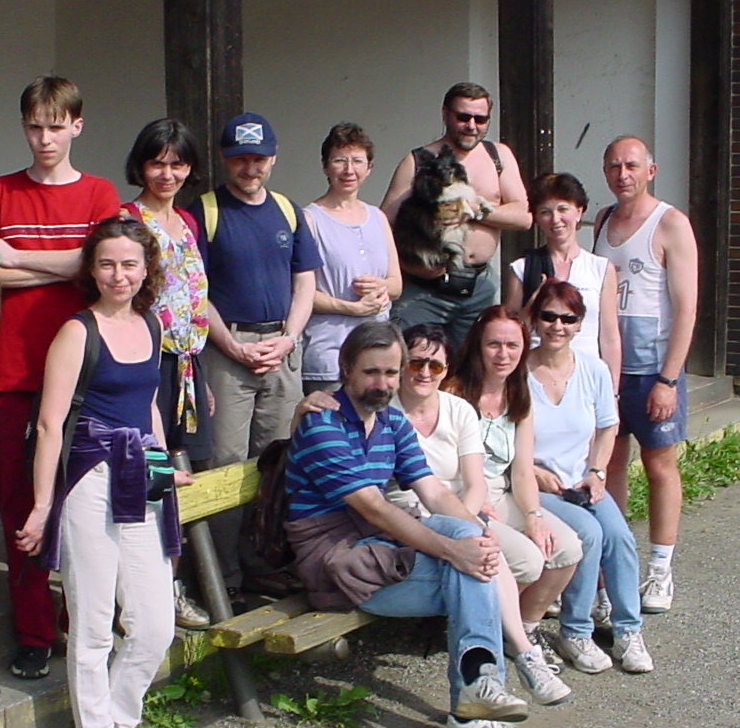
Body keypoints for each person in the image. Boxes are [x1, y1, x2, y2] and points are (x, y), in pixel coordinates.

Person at [285, 321, 536, 728]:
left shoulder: (391, 421)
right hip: (336, 559)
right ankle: (473, 707)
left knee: (468, 547)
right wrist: (457, 552)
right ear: (346, 369)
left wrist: (480, 537)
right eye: (371, 372)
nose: (382, 384)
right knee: (469, 571)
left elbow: (434, 492)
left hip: (381, 545)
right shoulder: (321, 424)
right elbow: (373, 507)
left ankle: (477, 697)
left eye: (390, 372)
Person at [17, 218, 187, 728]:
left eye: (130, 264)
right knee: (92, 624)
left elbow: (152, 409)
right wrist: (43, 506)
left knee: (155, 624)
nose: (119, 275)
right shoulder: (76, 331)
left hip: (142, 474)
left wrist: (164, 476)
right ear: (91, 269)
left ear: (146, 270)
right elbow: (49, 424)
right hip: (90, 478)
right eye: (108, 263)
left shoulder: (151, 324)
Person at [0, 76, 120, 680]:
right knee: (20, 507)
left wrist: (18, 258)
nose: (45, 138)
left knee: (85, 504)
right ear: (23, 127)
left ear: (76, 127)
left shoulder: (98, 193)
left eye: (56, 126)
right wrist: (62, 267)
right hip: (14, 370)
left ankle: (87, 621)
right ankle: (34, 631)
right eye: (35, 126)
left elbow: (101, 267)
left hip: (88, 371)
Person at [190, 112, 320, 591]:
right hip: (227, 349)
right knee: (225, 462)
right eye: (241, 159)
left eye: (259, 159)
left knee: (277, 459)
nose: (250, 168)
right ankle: (222, 576)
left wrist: (289, 338)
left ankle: (266, 563)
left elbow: (304, 282)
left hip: (281, 347)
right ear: (225, 160)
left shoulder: (287, 211)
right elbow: (196, 290)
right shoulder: (204, 211)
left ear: (273, 159)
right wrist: (230, 345)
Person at [524, 282, 653, 674]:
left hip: (581, 481)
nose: (557, 326)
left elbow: (607, 427)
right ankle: (575, 631)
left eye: (568, 318)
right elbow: (501, 434)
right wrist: (533, 472)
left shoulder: (593, 369)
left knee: (620, 537)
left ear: (580, 324)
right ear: (535, 320)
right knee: (589, 534)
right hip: (535, 483)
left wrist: (597, 473)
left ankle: (628, 629)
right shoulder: (518, 372)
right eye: (548, 316)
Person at [444, 307, 584, 664]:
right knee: (528, 561)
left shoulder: (519, 395)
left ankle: (523, 627)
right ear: (477, 346)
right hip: (460, 495)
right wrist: (472, 500)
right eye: (493, 344)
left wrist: (534, 516)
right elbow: (442, 463)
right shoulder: (454, 392)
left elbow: (521, 471)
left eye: (512, 345)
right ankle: (483, 629)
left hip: (501, 491)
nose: (503, 354)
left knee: (566, 547)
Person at [594, 136, 698, 614]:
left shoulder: (670, 223)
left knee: (659, 467)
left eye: (632, 165)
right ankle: (612, 567)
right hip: (608, 372)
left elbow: (686, 309)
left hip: (652, 371)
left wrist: (668, 380)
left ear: (650, 170)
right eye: (614, 166)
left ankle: (660, 569)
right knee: (609, 465)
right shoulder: (601, 220)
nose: (623, 174)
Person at [121, 118, 212, 630]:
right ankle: (141, 594)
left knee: (184, 475)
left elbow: (196, 299)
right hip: (145, 365)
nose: (167, 173)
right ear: (141, 164)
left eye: (177, 163)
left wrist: (203, 375)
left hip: (188, 368)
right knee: (150, 475)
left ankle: (173, 584)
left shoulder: (188, 222)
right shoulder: (127, 219)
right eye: (157, 162)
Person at [380, 82, 531, 344]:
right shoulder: (419, 161)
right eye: (463, 117)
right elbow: (382, 226)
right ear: (445, 114)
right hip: (423, 288)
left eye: (480, 119)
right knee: (414, 359)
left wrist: (473, 211)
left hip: (478, 286)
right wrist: (409, 265)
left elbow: (524, 217)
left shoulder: (498, 156)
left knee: (473, 364)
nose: (471, 125)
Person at [300, 123, 401, 393]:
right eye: (339, 160)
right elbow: (300, 293)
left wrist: (381, 286)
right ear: (325, 167)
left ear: (369, 168)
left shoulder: (378, 217)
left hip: (379, 355)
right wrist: (351, 308)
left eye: (357, 161)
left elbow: (396, 284)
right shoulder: (309, 219)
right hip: (329, 355)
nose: (349, 170)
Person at [502, 172, 621, 387]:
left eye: (563, 209)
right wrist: (532, 306)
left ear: (579, 211)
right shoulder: (522, 268)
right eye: (545, 212)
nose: (555, 219)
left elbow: (610, 337)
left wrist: (612, 391)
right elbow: (510, 333)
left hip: (587, 378)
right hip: (535, 377)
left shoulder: (601, 268)